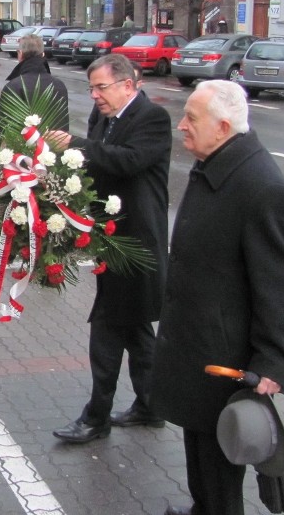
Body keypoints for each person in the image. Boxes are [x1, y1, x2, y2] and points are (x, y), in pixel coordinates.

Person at [151, 80, 284, 515]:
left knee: (222, 463)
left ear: (222, 126)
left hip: (226, 356)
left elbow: (281, 284)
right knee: (200, 444)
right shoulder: (216, 164)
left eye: (191, 119)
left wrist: (272, 362)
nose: (181, 125)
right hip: (199, 344)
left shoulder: (260, 186)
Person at [46, 53, 172, 444]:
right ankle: (151, 406)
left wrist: (78, 145)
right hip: (109, 236)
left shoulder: (152, 118)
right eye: (92, 88)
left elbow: (129, 161)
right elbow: (95, 169)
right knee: (134, 329)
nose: (95, 96)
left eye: (101, 87)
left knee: (107, 328)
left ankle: (96, 417)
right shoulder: (103, 116)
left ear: (127, 85)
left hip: (138, 241)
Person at [0, 34, 69, 132]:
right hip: (53, 145)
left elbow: (0, 128)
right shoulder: (59, 85)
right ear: (43, 54)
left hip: (20, 146)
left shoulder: (14, 86)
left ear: (20, 54)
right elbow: (63, 126)